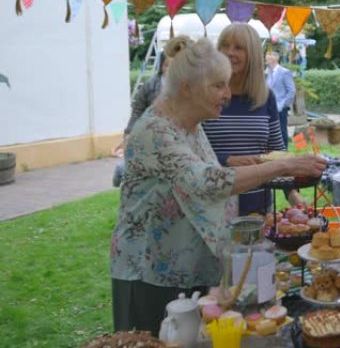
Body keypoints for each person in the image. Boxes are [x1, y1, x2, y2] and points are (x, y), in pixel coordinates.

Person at [111, 37, 326, 336]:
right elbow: (205, 184)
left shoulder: (190, 123)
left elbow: (196, 175)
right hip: (150, 276)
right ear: (186, 88)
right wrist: (283, 165)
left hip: (190, 269)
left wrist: (239, 164)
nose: (227, 94)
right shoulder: (154, 130)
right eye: (218, 86)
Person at [203, 23, 303, 215]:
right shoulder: (205, 95)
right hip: (213, 206)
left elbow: (277, 152)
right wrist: (227, 160)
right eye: (224, 45)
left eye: (238, 47)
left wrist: (292, 193)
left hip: (258, 206)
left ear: (253, 55)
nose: (229, 52)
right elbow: (189, 154)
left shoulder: (266, 97)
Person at [113, 49, 176, 187]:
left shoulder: (188, 87)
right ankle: (123, 169)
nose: (170, 70)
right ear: (161, 67)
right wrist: (128, 134)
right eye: (167, 65)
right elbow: (137, 111)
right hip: (152, 134)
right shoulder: (150, 85)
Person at [265, 51, 296, 147]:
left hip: (280, 108)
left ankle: (283, 151)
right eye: (267, 55)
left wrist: (283, 105)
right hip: (268, 108)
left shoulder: (284, 72)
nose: (268, 57)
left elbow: (291, 91)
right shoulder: (267, 72)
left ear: (276, 58)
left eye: (271, 54)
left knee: (282, 131)